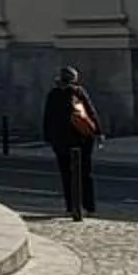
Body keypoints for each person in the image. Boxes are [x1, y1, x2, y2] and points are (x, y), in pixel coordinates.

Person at [41, 65, 101, 221]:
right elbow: (91, 112)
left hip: (61, 141)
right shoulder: (78, 92)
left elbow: (47, 118)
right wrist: (98, 133)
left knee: (66, 174)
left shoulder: (53, 95)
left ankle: (71, 207)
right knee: (85, 174)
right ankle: (89, 206)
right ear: (74, 79)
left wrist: (49, 138)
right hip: (83, 139)